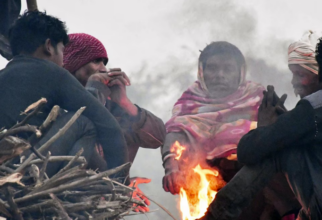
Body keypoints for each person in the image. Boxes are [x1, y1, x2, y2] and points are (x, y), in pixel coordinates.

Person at [204, 31, 322, 220]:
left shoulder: (318, 106)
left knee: (275, 150)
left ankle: (216, 215)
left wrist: (265, 127)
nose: (294, 81)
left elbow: (247, 151)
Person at [162, 41, 293, 219]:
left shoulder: (260, 98)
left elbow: (283, 141)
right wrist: (172, 168)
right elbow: (175, 133)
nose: (219, 75)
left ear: (240, 72)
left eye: (227, 69)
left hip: (256, 190)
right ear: (202, 71)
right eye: (213, 68)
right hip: (203, 184)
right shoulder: (190, 100)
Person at [0, 11, 128, 177]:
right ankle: (70, 185)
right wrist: (121, 181)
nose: (62, 60)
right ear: (48, 46)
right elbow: (110, 128)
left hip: (6, 171)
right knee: (83, 122)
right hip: (25, 172)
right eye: (62, 50)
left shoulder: (3, 75)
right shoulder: (51, 72)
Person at [63, 33, 166, 164]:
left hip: (113, 184)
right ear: (73, 65)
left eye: (104, 63)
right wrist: (94, 89)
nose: (103, 69)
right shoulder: (57, 103)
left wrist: (125, 103)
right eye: (95, 61)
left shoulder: (113, 109)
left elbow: (159, 138)